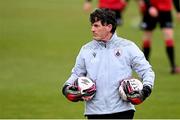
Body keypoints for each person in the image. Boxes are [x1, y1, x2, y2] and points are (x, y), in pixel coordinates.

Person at [62, 8, 155, 119]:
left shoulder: (128, 47)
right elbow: (77, 74)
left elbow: (147, 71)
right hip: (94, 112)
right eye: (92, 25)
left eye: (96, 26)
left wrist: (145, 91)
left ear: (109, 27)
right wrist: (66, 88)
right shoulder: (86, 50)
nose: (92, 29)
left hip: (123, 111)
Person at [139, 0, 180, 74]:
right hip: (151, 9)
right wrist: (149, 6)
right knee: (147, 37)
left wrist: (178, 10)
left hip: (166, 10)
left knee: (169, 36)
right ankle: (144, 67)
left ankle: (173, 66)